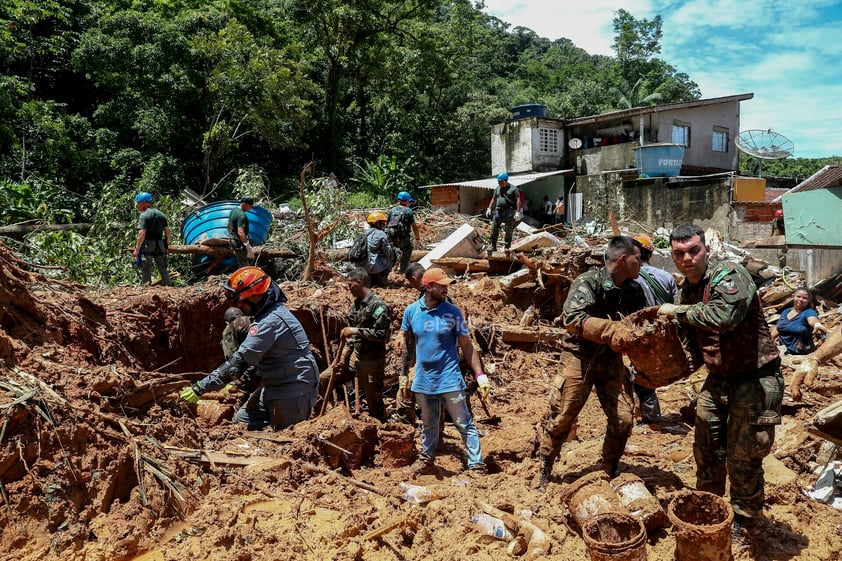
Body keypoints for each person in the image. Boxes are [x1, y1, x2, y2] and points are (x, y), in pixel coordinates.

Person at [657, 223, 783, 552]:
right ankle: (710, 508)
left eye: (693, 250)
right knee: (707, 448)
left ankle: (745, 520)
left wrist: (678, 312)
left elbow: (722, 316)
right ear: (672, 256)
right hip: (719, 380)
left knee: (744, 456)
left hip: (756, 379)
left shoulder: (729, 274)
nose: (687, 258)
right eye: (679, 253)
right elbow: (697, 343)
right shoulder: (689, 289)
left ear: (706, 250)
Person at [536, 236, 646, 491]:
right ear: (622, 258)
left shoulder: (634, 290)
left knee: (623, 419)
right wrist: (610, 329)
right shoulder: (588, 282)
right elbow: (573, 318)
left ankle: (609, 468)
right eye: (637, 258)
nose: (641, 263)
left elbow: (640, 325)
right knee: (563, 416)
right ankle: (545, 467)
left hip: (611, 359)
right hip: (579, 357)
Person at [179, 266, 318, 431]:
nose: (238, 305)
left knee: (286, 436)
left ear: (255, 296)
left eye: (240, 300)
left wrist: (199, 388)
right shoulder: (265, 317)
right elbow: (252, 361)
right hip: (273, 385)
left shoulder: (269, 322)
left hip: (293, 389)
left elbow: (236, 365)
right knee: (243, 422)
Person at [400, 268, 489, 475]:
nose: (445, 289)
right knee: (429, 424)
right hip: (423, 380)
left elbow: (467, 346)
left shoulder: (453, 313)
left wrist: (480, 375)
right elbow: (407, 345)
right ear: (427, 286)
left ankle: (476, 464)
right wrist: (403, 375)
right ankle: (427, 459)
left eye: (446, 285)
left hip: (449, 379)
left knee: (463, 423)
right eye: (441, 285)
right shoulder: (411, 312)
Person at [318, 267, 390, 420]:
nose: (348, 288)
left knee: (374, 403)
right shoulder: (356, 306)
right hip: (354, 357)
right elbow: (350, 340)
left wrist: (356, 331)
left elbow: (382, 334)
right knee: (324, 379)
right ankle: (323, 415)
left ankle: (382, 429)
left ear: (359, 282)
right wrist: (343, 359)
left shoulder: (378, 306)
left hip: (371, 361)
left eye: (350, 284)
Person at [631, 233, 679, 425]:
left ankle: (650, 418)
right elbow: (676, 307)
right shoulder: (666, 277)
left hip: (638, 333)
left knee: (639, 377)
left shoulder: (629, 277)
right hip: (662, 334)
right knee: (646, 376)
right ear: (649, 254)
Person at [771, 286, 827, 355]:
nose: (800, 299)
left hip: (801, 355)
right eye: (798, 296)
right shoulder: (786, 311)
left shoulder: (808, 312)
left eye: (805, 298)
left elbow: (812, 319)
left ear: (809, 300)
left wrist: (817, 324)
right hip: (783, 352)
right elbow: (778, 327)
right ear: (793, 297)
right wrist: (768, 340)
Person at [133, 192, 171, 286]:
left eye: (138, 203)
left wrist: (137, 249)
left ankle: (147, 287)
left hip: (148, 245)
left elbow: (142, 233)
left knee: (146, 267)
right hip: (160, 244)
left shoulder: (144, 215)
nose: (137, 205)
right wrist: (166, 245)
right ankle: (168, 286)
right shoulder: (161, 214)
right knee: (163, 268)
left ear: (144, 202)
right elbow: (167, 232)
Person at [485, 172, 522, 252]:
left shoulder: (513, 189)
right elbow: (493, 198)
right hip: (498, 210)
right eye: (498, 181)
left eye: (500, 181)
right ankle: (493, 246)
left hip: (509, 210)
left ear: (505, 181)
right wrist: (489, 208)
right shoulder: (497, 188)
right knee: (494, 226)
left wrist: (518, 212)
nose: (498, 183)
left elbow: (518, 200)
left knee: (509, 228)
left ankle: (507, 247)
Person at [386, 191, 421, 275]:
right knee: (407, 250)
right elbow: (414, 226)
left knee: (393, 253)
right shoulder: (408, 211)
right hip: (404, 239)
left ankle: (390, 270)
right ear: (407, 201)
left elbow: (386, 225)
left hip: (392, 239)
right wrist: (417, 238)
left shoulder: (391, 211)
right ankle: (403, 271)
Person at [362, 211, 397, 286]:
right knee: (392, 256)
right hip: (373, 266)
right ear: (377, 223)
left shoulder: (364, 233)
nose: (384, 225)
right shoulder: (380, 234)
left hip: (362, 265)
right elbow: (389, 253)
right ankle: (383, 278)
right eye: (382, 223)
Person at [227, 197, 255, 267]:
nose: (250, 208)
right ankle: (245, 277)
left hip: (233, 240)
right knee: (245, 264)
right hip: (238, 242)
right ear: (245, 204)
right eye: (250, 206)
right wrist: (247, 245)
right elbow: (240, 232)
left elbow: (228, 226)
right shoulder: (241, 215)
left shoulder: (233, 211)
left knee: (245, 260)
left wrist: (231, 237)